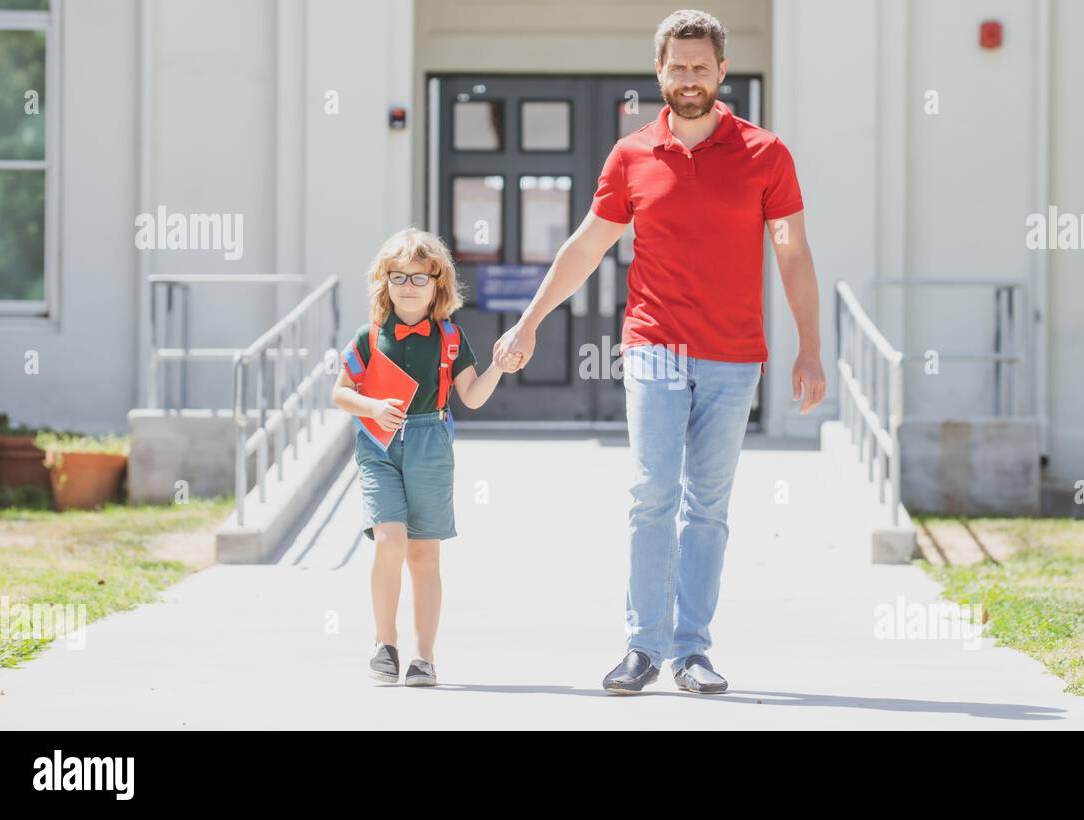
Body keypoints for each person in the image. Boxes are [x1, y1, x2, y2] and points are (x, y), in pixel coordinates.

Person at [492, 9, 826, 695]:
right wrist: (528, 324)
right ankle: (643, 646)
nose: (690, 79)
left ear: (722, 72)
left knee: (708, 503)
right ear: (659, 71)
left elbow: (792, 257)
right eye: (678, 67)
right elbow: (586, 246)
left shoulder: (766, 155)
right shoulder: (633, 154)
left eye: (702, 67)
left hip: (735, 355)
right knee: (652, 492)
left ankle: (692, 651)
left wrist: (810, 348)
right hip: (654, 347)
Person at [332, 227, 520, 687]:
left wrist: (498, 364)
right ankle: (384, 643)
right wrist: (373, 406)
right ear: (385, 281)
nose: (409, 286)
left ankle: (424, 657)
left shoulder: (451, 339)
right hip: (379, 445)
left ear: (439, 284)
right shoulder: (369, 336)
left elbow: (471, 397)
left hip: (430, 443)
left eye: (420, 277)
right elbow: (340, 394)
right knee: (389, 539)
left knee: (424, 555)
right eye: (399, 276)